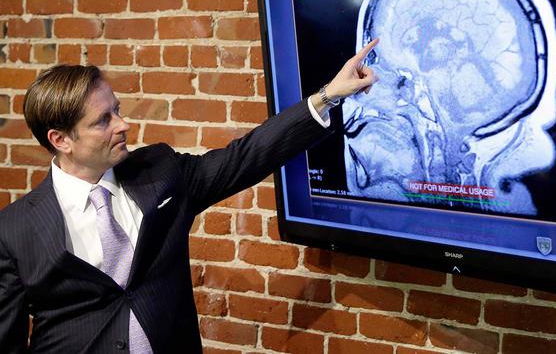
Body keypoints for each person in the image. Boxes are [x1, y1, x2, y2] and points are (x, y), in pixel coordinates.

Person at [0, 39, 378, 353]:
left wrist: (328, 96)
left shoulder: (161, 174)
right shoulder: (14, 230)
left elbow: (244, 157)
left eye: (116, 109)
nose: (123, 124)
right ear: (60, 140)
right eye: (103, 120)